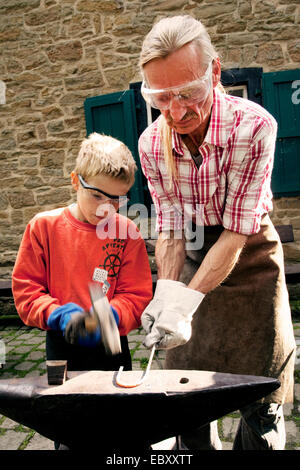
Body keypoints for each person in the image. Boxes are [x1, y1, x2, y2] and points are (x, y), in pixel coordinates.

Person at [138, 15, 296, 450]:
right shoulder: (152, 143)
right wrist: (168, 294)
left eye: (188, 93)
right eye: (161, 97)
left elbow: (235, 231)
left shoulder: (255, 127)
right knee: (185, 397)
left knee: (262, 396)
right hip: (191, 258)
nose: (176, 111)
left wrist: (187, 301)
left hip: (251, 262)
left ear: (215, 71)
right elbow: (170, 228)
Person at [12, 132, 152, 374]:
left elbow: (136, 295)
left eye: (117, 199)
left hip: (111, 347)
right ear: (76, 181)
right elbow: (27, 292)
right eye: (97, 195)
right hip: (61, 342)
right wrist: (58, 314)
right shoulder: (43, 227)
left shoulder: (127, 232)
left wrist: (112, 315)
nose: (105, 209)